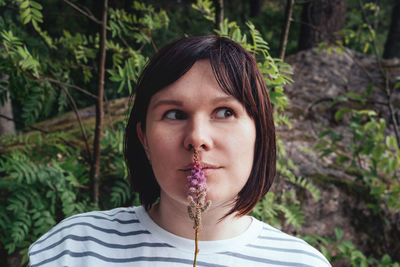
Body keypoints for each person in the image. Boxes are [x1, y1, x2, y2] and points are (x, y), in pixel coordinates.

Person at [29, 35, 331, 267]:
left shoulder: (302, 262)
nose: (197, 138)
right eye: (174, 114)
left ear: (259, 132)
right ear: (144, 138)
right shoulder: (73, 250)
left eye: (224, 112)